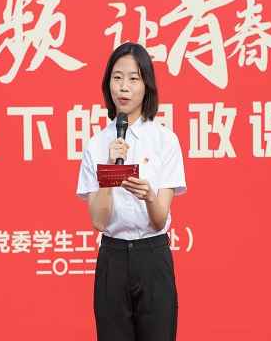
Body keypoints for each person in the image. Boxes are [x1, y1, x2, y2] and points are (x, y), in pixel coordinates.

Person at [76, 42, 187, 341]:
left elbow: (159, 219)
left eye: (133, 78)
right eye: (117, 77)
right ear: (108, 84)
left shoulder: (165, 141)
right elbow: (99, 221)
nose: (124, 87)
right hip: (112, 259)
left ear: (146, 85)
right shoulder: (96, 145)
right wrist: (108, 171)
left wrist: (149, 195)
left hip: (153, 257)